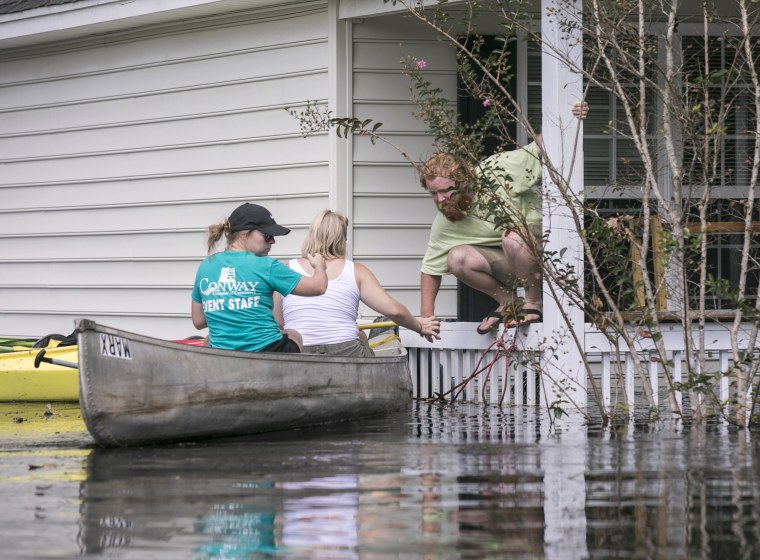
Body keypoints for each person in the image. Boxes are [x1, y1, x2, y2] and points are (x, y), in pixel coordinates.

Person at [419, 102, 588, 334]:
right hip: (514, 259)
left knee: (513, 238)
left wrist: (572, 116)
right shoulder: (446, 221)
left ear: (465, 179)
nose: (439, 199)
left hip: (547, 248)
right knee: (457, 258)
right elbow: (430, 270)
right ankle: (509, 303)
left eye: (446, 190)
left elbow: (540, 147)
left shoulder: (498, 169)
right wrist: (426, 319)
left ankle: (532, 302)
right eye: (433, 193)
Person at [274, 210, 441, 357]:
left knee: (359, 335)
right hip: (346, 351)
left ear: (311, 235)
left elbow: (278, 323)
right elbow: (395, 311)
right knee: (360, 337)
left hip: (299, 353)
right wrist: (419, 326)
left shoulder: (284, 269)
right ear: (342, 239)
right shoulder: (355, 271)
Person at [191, 202, 327, 352]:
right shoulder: (266, 266)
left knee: (209, 339)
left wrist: (229, 309)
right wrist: (319, 265)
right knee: (294, 335)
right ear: (244, 234)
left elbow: (198, 321)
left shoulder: (206, 266)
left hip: (225, 356)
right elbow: (318, 286)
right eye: (267, 236)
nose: (273, 241)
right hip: (267, 353)